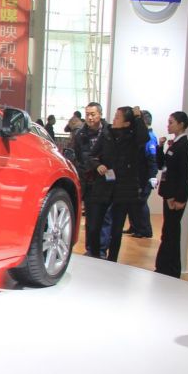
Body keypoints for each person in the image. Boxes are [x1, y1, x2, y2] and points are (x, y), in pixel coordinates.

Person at [86, 106, 148, 263]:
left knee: (117, 228)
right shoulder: (106, 133)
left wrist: (138, 117)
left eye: (118, 117)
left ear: (127, 123)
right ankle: (94, 255)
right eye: (115, 116)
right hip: (103, 184)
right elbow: (92, 155)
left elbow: (143, 138)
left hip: (124, 187)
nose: (114, 119)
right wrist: (97, 165)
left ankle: (112, 259)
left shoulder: (133, 137)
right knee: (94, 225)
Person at [154, 110, 188, 278]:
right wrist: (160, 147)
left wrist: (179, 197)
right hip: (169, 193)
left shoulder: (184, 145)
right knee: (168, 231)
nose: (168, 125)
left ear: (181, 124)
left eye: (171, 122)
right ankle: (164, 267)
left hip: (175, 195)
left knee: (171, 232)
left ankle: (171, 269)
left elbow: (183, 174)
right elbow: (162, 166)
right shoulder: (174, 144)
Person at [73, 102, 111, 258]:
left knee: (106, 218)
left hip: (106, 181)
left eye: (93, 114)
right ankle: (91, 249)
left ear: (100, 114)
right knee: (90, 218)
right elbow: (79, 156)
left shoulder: (109, 132)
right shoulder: (80, 135)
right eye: (87, 114)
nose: (89, 117)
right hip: (88, 180)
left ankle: (102, 250)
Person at [124, 110, 158, 239]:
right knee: (134, 202)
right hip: (137, 175)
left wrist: (152, 176)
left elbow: (152, 158)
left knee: (141, 202)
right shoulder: (140, 136)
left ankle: (145, 229)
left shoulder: (149, 137)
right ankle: (135, 226)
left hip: (145, 176)